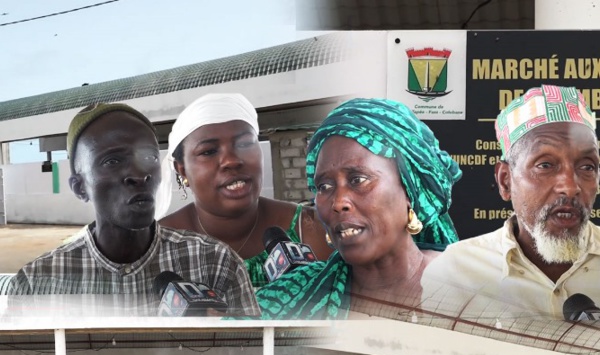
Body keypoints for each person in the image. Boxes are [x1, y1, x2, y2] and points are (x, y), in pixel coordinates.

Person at [9, 102, 259, 318]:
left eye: (149, 157)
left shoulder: (217, 264)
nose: (139, 175)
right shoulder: (34, 284)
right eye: (113, 161)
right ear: (80, 187)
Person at [256, 97, 461, 319]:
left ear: (409, 190)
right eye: (324, 186)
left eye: (358, 179)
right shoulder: (286, 300)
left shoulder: (476, 289)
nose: (338, 202)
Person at [423, 85, 600, 320]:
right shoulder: (454, 274)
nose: (570, 186)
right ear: (506, 181)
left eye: (587, 166)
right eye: (545, 165)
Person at [159, 93, 332, 288]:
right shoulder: (157, 247)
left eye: (244, 144)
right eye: (208, 151)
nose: (232, 160)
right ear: (182, 169)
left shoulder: (313, 228)